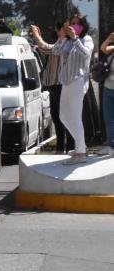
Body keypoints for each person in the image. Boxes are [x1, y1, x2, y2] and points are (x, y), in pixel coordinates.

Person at [38, 14, 94, 164]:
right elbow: (55, 51)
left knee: (75, 116)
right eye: (72, 24)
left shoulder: (86, 39)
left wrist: (75, 38)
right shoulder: (66, 41)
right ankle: (81, 145)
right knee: (63, 116)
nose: (74, 26)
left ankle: (80, 152)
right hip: (66, 82)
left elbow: (86, 54)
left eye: (77, 24)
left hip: (77, 80)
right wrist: (62, 37)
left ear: (83, 26)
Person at [31, 21, 75, 153]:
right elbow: (45, 49)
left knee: (64, 117)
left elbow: (44, 47)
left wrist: (35, 35)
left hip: (60, 85)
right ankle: (62, 147)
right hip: (54, 85)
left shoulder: (66, 44)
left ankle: (70, 147)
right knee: (56, 117)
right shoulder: (60, 43)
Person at [98, 31, 114, 157]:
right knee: (109, 119)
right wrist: (109, 38)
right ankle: (111, 145)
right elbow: (103, 48)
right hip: (108, 88)